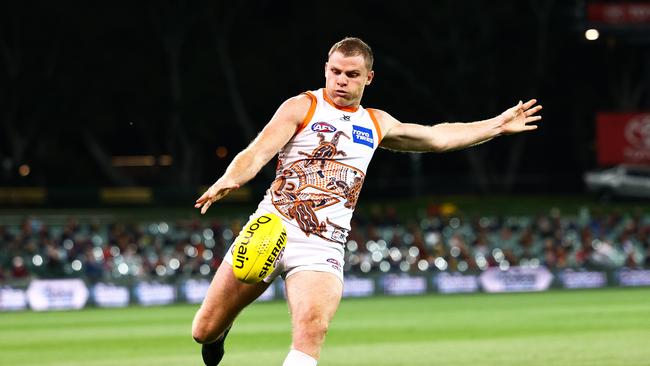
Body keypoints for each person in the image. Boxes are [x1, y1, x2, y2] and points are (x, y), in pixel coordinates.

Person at [191, 37, 542, 366]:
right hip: (272, 227)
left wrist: (495, 125)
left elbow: (436, 136)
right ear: (326, 69)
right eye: (335, 72)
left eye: (352, 74)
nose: (341, 80)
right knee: (202, 330)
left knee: (313, 326)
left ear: (369, 78)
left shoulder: (375, 122)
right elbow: (257, 152)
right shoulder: (303, 106)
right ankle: (219, 331)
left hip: (322, 244)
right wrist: (230, 179)